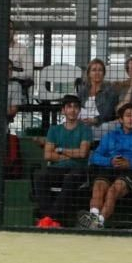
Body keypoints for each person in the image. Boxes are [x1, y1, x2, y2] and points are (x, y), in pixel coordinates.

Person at [81, 102, 132, 229]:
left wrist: (131, 163)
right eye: (128, 115)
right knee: (98, 187)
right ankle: (93, 217)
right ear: (121, 119)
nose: (131, 118)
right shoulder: (110, 136)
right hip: (110, 168)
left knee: (112, 191)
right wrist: (110, 161)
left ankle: (99, 222)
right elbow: (95, 156)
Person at [35, 94, 93, 228]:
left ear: (79, 110)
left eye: (76, 107)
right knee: (40, 177)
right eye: (69, 107)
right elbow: (48, 155)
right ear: (63, 110)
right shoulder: (54, 130)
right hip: (57, 169)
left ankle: (50, 219)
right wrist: (72, 153)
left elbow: (83, 153)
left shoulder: (85, 129)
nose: (72, 110)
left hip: (78, 169)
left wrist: (60, 150)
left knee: (70, 178)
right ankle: (50, 220)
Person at [76, 58, 119, 134]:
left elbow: (108, 113)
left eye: (100, 70)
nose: (97, 73)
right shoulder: (83, 91)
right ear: (89, 73)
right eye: (94, 70)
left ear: (104, 73)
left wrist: (95, 120)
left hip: (102, 124)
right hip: (83, 123)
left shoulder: (110, 90)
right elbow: (77, 107)